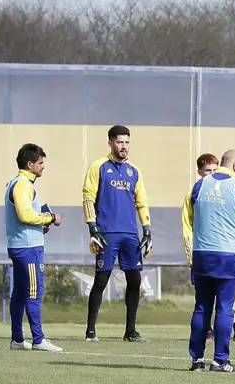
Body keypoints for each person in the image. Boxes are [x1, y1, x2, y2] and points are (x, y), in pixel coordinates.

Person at [185, 149, 235, 373]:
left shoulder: (199, 186)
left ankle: (197, 359)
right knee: (226, 310)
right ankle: (220, 360)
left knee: (201, 308)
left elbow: (190, 219)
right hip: (230, 257)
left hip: (202, 254)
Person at [83, 125, 151, 343]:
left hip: (130, 234)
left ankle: (130, 331)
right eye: (120, 142)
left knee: (135, 280)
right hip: (107, 233)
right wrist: (92, 227)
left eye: (127, 142)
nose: (124, 147)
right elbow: (88, 198)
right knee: (101, 280)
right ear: (111, 143)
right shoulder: (99, 166)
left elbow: (141, 202)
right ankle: (91, 331)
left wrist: (147, 229)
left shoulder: (135, 171)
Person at [4, 143, 64, 352]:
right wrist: (50, 218)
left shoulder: (21, 183)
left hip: (24, 245)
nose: (43, 167)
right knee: (33, 292)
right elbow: (25, 215)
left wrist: (42, 224)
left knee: (20, 293)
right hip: (27, 248)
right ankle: (38, 340)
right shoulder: (22, 185)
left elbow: (28, 216)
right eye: (40, 163)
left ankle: (17, 340)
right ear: (29, 164)